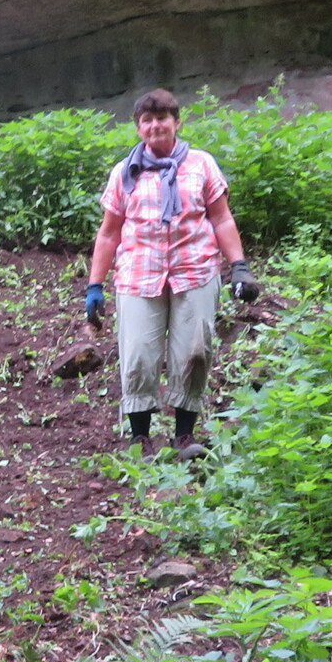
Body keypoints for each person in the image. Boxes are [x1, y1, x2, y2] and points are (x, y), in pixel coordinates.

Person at [82, 88, 258, 458]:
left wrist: (239, 267)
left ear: (177, 123)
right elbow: (109, 232)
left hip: (195, 271)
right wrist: (95, 286)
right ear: (138, 128)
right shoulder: (125, 172)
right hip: (138, 275)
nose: (155, 126)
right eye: (147, 120)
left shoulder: (201, 164)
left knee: (194, 352)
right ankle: (140, 440)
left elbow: (221, 219)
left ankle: (183, 438)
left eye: (162, 118)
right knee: (138, 355)